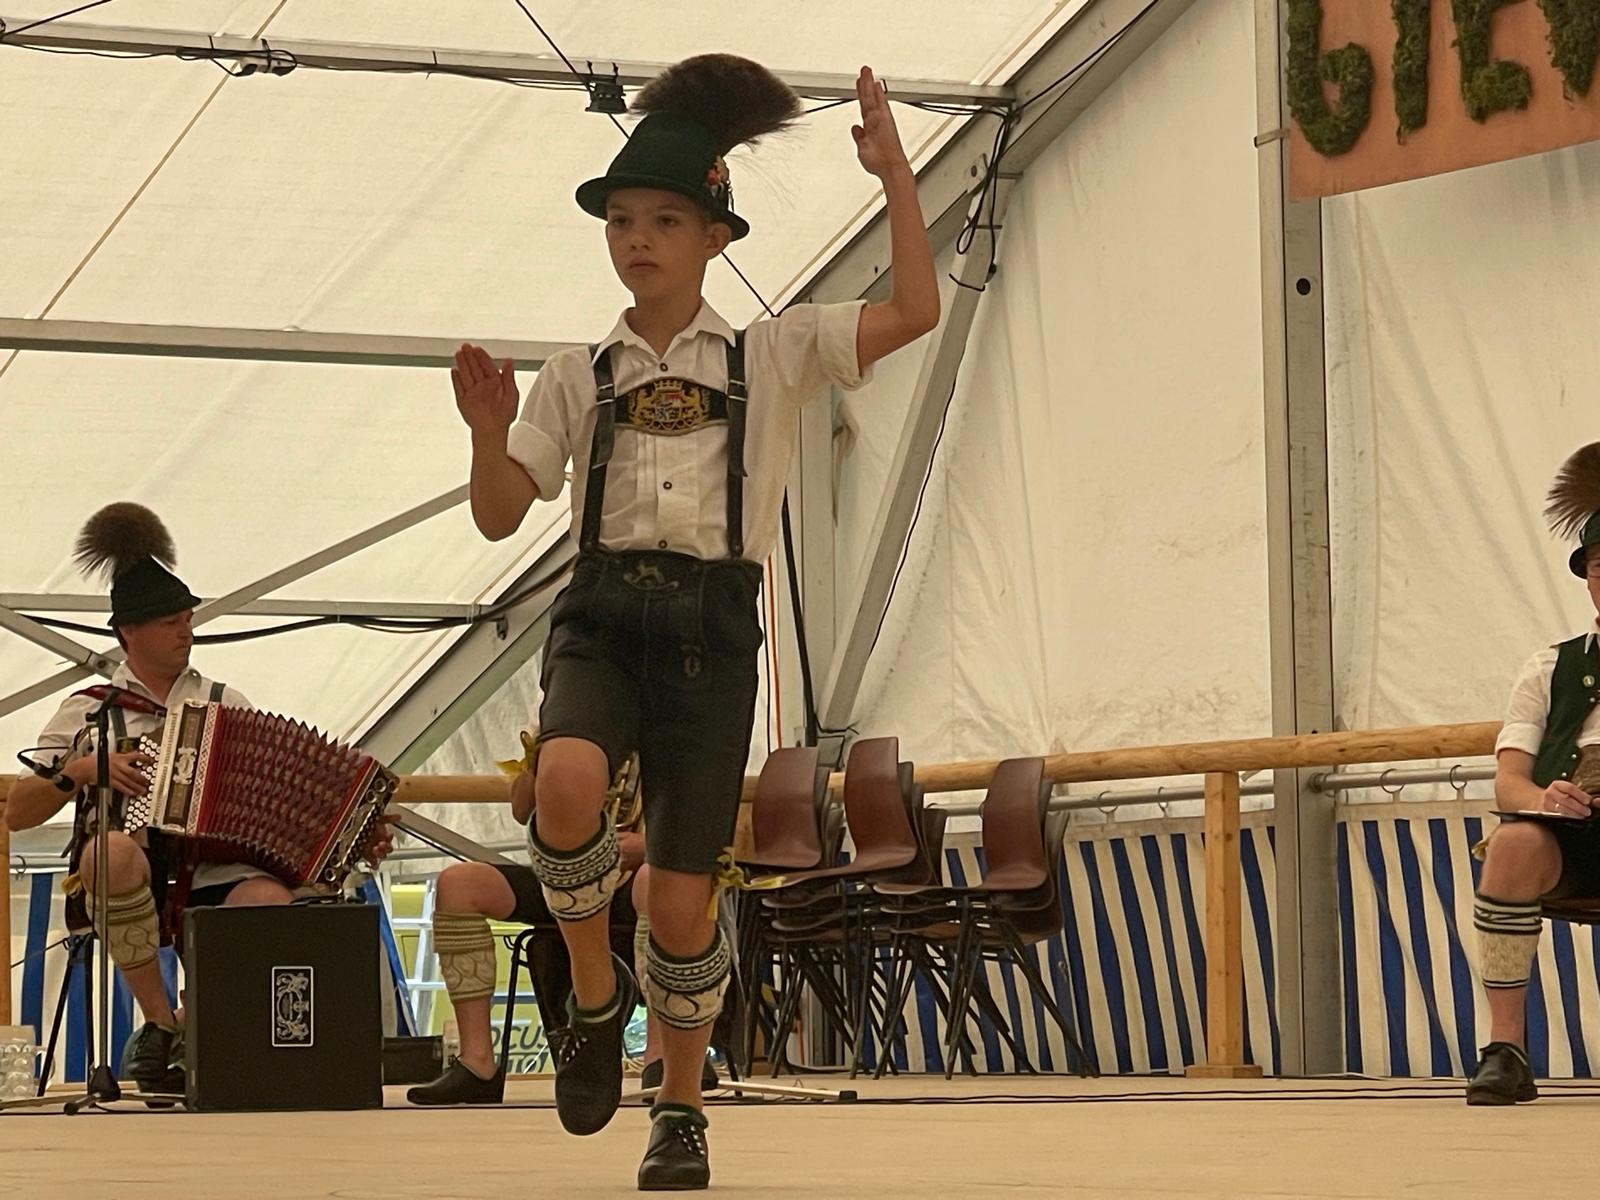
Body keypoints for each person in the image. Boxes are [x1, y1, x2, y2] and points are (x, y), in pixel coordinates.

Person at [450, 55, 937, 1188]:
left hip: (713, 632)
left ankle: (678, 1106)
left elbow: (916, 309)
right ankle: (590, 990)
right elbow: (498, 515)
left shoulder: (776, 351)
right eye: (621, 219)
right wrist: (484, 432)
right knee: (564, 782)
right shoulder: (575, 375)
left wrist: (895, 178)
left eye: (665, 220)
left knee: (677, 903)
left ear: (717, 235)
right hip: (600, 613)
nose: (638, 239)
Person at [6, 503, 392, 1094]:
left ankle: (200, 1025)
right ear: (128, 632)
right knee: (110, 852)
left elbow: (283, 791)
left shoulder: (221, 701)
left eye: (188, 619)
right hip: (129, 866)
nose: (186, 632)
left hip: (210, 867)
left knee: (267, 897)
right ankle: (160, 1023)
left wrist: (355, 829)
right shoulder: (89, 710)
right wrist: (83, 770)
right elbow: (19, 811)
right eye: (170, 622)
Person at [405, 743, 718, 1105]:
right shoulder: (570, 728)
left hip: (635, 876)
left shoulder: (681, 731)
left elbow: (708, 833)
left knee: (653, 881)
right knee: (459, 885)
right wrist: (540, 759)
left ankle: (660, 1058)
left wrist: (647, 846)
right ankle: (477, 1064)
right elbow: (522, 810)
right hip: (564, 876)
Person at [1468, 442, 1600, 1105]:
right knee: (1514, 841)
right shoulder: (1550, 666)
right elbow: (1509, 782)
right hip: (1576, 832)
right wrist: (1546, 800)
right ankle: (1505, 1051)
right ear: (1587, 578)